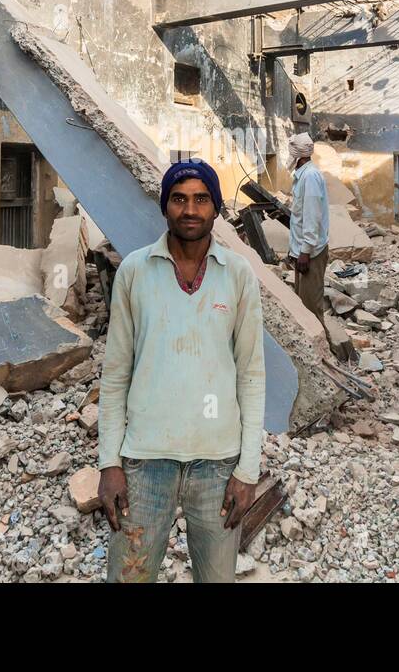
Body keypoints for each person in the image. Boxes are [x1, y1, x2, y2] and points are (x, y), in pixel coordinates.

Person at [97, 160, 265, 583]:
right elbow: (115, 373)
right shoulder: (135, 270)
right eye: (179, 199)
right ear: (165, 207)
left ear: (216, 208)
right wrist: (109, 464)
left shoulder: (239, 274)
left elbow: (251, 375)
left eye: (201, 199)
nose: (190, 210)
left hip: (218, 463)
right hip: (144, 461)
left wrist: (247, 470)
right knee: (129, 576)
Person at [286, 133, 329, 322]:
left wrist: (305, 252)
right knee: (302, 305)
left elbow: (312, 217)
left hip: (311, 253)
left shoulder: (310, 177)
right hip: (303, 251)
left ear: (299, 157)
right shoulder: (303, 175)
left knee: (310, 310)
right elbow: (299, 218)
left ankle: (323, 350)